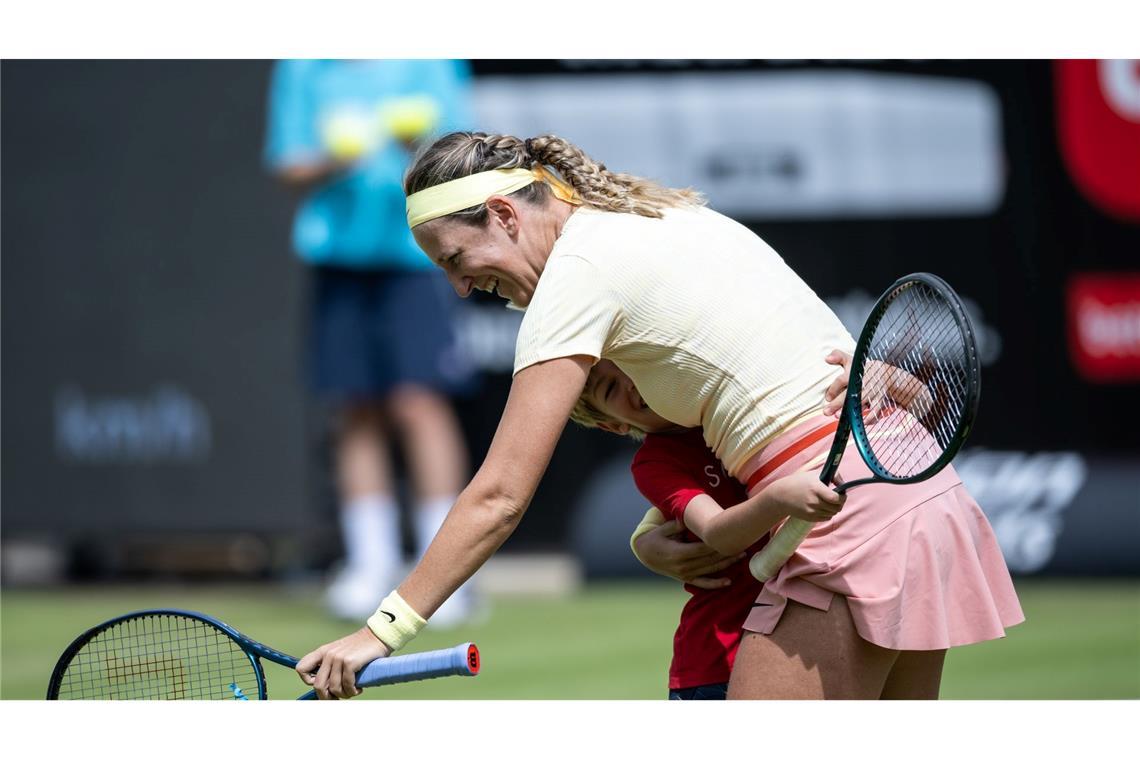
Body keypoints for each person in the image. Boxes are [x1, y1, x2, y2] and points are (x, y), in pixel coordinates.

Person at [294, 131, 1023, 700]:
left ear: (507, 215)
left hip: (846, 522)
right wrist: (652, 537)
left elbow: (499, 497)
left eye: (457, 258)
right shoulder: (656, 214)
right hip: (916, 491)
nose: (458, 287)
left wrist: (379, 632)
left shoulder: (577, 275)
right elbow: (716, 399)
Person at [263, 61, 477, 624]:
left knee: (419, 403)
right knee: (354, 408)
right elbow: (288, 164)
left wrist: (419, 149)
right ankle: (371, 565)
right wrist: (336, 160)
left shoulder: (430, 58)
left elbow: (465, 158)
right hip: (338, 258)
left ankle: (445, 574)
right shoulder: (304, 65)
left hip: (415, 254)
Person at [572, 359, 844, 699]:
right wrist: (779, 498)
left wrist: (642, 538)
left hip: (797, 641)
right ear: (613, 425)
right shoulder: (655, 462)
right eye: (611, 389)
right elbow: (718, 533)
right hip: (717, 661)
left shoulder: (727, 406)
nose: (629, 381)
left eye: (629, 362)